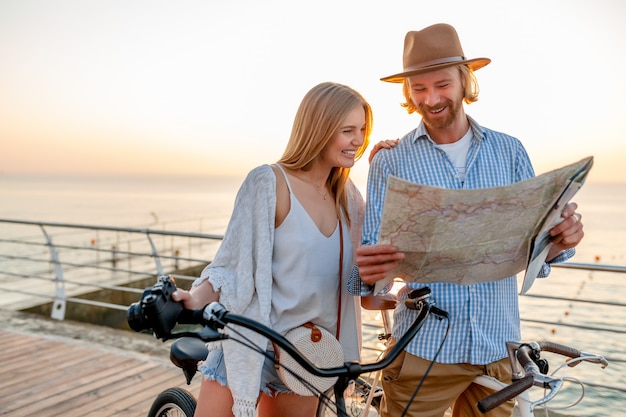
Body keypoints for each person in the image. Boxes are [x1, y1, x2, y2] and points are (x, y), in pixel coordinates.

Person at [348, 23, 585, 417]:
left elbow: (536, 253)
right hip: (422, 351)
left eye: (441, 84)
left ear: (463, 80)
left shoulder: (510, 152)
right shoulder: (390, 161)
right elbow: (374, 274)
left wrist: (560, 242)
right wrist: (372, 270)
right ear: (408, 92)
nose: (431, 98)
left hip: (498, 345)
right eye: (419, 89)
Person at [172, 81, 372, 417]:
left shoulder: (349, 199)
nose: (358, 140)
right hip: (251, 346)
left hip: (308, 358)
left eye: (363, 130)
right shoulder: (269, 183)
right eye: (348, 130)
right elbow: (232, 265)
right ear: (319, 129)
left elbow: (360, 278)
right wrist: (193, 299)